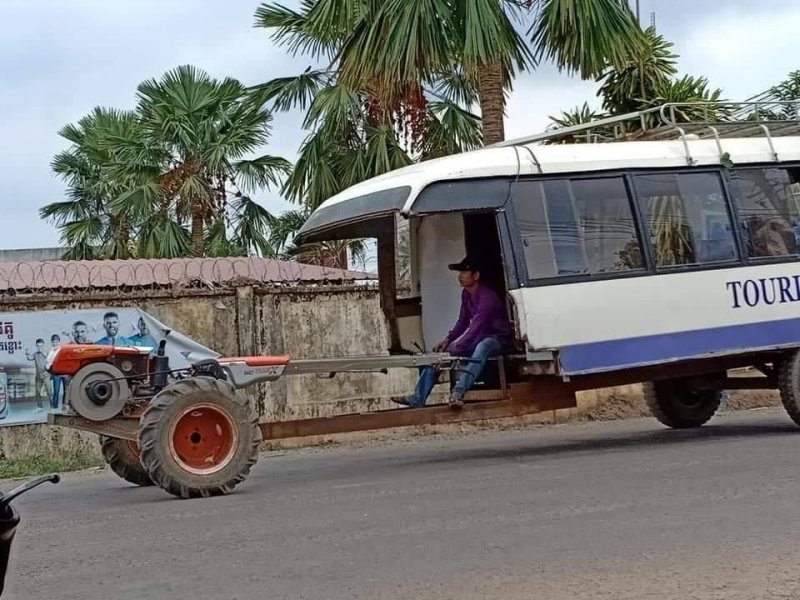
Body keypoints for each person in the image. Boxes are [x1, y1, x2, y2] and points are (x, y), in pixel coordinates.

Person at [392, 256, 514, 409]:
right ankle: (418, 398)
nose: (460, 276)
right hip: (478, 337)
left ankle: (458, 392)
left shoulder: (487, 297)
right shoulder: (466, 294)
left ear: (476, 276)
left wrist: (455, 347)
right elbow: (462, 322)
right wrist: (448, 340)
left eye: (465, 272)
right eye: (460, 272)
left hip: (497, 339)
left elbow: (475, 326)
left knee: (482, 347)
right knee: (438, 355)